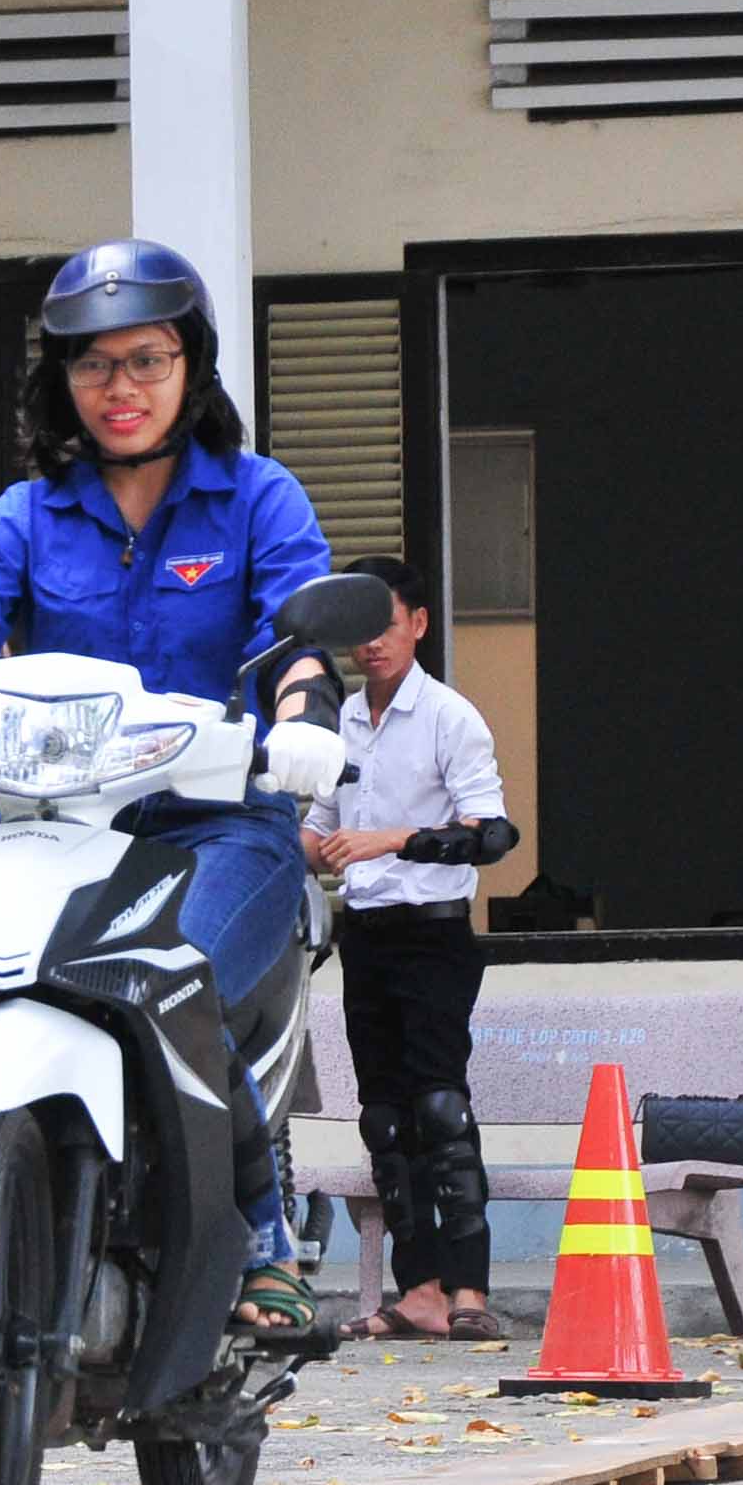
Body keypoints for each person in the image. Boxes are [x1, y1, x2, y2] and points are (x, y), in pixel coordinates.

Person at [0, 238, 349, 1338]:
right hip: (53, 826)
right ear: (61, 378)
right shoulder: (27, 514)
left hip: (217, 824)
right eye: (94, 363)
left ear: (192, 367)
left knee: (175, 975)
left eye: (147, 359)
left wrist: (303, 719)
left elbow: (296, 638)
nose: (121, 387)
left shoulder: (257, 498)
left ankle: (262, 1237)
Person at [302, 556, 519, 1342]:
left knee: (439, 1106)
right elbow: (318, 826)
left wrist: (393, 839)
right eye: (359, 631)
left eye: (386, 625)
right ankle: (419, 1288)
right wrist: (295, 850)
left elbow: (492, 834)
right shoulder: (337, 722)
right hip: (366, 935)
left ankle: (470, 1290)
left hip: (434, 933)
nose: (372, 644)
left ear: (419, 624)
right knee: (384, 1117)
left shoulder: (450, 716)